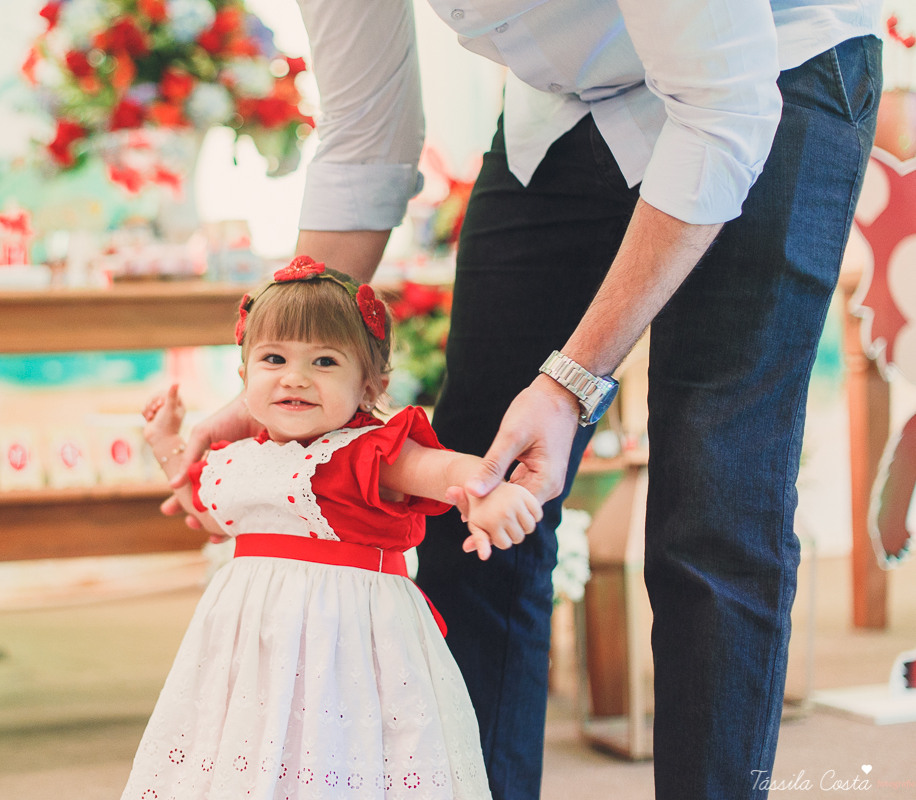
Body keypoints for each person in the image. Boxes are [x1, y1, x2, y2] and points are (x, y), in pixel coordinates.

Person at [169, 2, 884, 798]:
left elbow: (723, 109)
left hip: (766, 69)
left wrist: (571, 380)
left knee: (711, 507)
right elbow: (366, 136)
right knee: (474, 496)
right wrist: (286, 369)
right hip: (563, 107)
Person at [121, 257, 543, 800]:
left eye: (324, 361)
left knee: (342, 760)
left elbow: (442, 470)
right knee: (251, 757)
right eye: (274, 358)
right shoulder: (239, 459)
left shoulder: (365, 452)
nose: (295, 377)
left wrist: (488, 490)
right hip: (250, 655)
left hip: (349, 648)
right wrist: (165, 442)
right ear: (244, 378)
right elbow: (205, 511)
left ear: (370, 385)